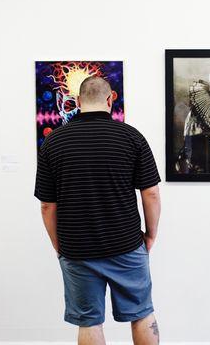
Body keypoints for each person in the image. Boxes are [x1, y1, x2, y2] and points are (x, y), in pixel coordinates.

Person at [34, 76, 162, 345]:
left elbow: (47, 205)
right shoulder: (131, 137)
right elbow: (150, 192)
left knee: (89, 321)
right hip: (126, 244)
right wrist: (150, 235)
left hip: (77, 249)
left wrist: (60, 246)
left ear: (79, 102)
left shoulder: (54, 142)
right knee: (141, 313)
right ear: (110, 99)